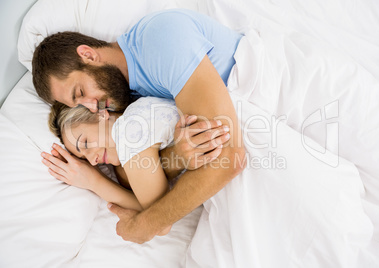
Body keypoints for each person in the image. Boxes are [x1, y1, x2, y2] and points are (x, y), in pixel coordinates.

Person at [33, 8, 246, 243]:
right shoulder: (125, 96)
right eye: (80, 104)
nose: (92, 107)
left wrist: (143, 225)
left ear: (89, 55)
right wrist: (176, 156)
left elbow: (229, 156)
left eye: (81, 92)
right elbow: (128, 173)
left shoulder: (159, 39)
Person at [42, 99, 231, 237]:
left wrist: (94, 181)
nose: (93, 161)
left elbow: (161, 221)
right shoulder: (138, 115)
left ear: (101, 113)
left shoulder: (129, 132)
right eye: (85, 158)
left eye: (85, 143)